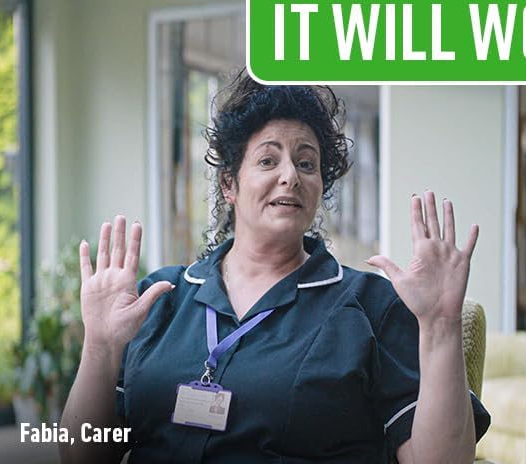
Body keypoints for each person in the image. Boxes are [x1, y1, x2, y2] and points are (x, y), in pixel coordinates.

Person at [60, 73, 489, 462]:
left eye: (307, 163)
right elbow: (82, 458)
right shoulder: (161, 297)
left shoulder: (372, 306)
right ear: (229, 183)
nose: (291, 176)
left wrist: (440, 326)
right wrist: (100, 346)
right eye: (268, 160)